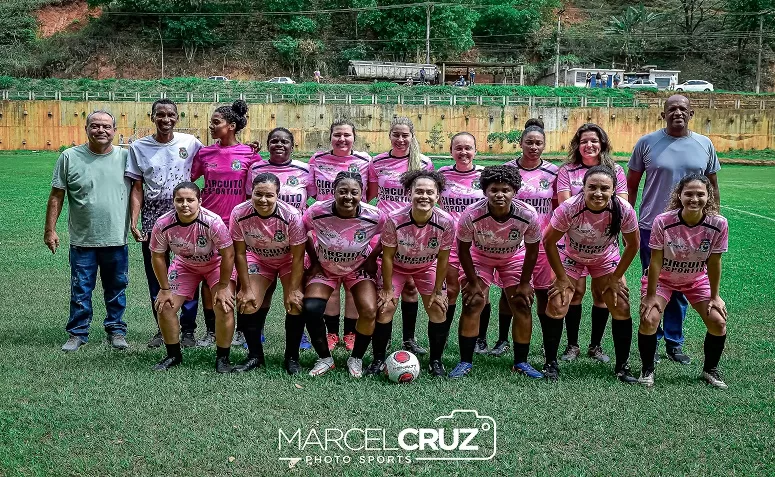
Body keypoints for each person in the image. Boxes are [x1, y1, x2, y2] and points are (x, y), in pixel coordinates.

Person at [627, 94, 721, 365]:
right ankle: (652, 339)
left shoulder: (704, 144)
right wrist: (628, 220)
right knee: (654, 283)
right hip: (651, 226)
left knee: (684, 283)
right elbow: (631, 185)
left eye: (683, 109)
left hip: (694, 228)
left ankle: (674, 341)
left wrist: (713, 218)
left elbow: (712, 186)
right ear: (663, 114)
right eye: (672, 109)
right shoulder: (646, 143)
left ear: (691, 114)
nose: (677, 113)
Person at [544, 166, 640, 383]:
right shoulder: (569, 208)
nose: (598, 193)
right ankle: (550, 363)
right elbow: (548, 241)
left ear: (614, 190)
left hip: (605, 257)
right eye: (592, 187)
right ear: (583, 189)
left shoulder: (623, 210)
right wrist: (560, 278)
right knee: (558, 302)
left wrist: (616, 278)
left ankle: (622, 366)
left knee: (621, 304)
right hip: (570, 256)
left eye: (604, 188)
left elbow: (633, 245)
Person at [45, 110, 131, 352]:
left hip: (116, 238)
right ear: (86, 129)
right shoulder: (69, 157)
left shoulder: (126, 157)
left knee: (116, 288)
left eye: (106, 126)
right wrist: (50, 230)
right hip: (83, 240)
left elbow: (139, 191)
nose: (101, 130)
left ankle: (116, 330)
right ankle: (78, 333)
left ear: (115, 131)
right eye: (95, 126)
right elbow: (56, 196)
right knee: (81, 288)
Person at [449, 165, 542, 379]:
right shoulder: (471, 214)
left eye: (505, 190)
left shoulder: (527, 214)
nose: (500, 194)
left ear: (515, 191)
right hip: (479, 257)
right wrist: (472, 282)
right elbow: (463, 250)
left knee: (521, 303)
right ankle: (465, 361)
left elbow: (532, 251)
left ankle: (521, 362)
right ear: (485, 191)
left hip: (513, 258)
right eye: (494, 190)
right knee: (473, 302)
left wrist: (525, 283)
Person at [638, 174, 728, 388]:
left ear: (709, 197)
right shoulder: (663, 221)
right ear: (679, 195)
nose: (694, 199)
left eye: (700, 194)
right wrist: (650, 296)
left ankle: (710, 370)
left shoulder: (718, 223)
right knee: (649, 318)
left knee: (718, 321)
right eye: (689, 193)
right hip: (663, 280)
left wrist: (715, 297)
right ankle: (647, 368)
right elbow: (656, 260)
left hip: (696, 280)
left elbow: (715, 262)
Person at [125, 99, 202, 348]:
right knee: (157, 274)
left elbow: (213, 163)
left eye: (170, 115)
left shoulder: (190, 143)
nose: (165, 119)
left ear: (177, 118)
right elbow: (137, 187)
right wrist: (134, 220)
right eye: (160, 115)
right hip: (153, 217)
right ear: (152, 117)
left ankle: (188, 329)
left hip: (186, 214)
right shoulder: (139, 147)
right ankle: (163, 327)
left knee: (189, 269)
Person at [190, 100, 261, 348]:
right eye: (212, 122)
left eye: (216, 122)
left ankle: (242, 330)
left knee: (240, 279)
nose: (211, 126)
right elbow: (189, 179)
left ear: (231, 126)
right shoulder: (205, 153)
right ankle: (211, 331)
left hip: (238, 226)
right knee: (212, 278)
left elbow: (262, 183)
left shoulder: (250, 154)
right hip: (208, 224)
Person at [301, 172, 385, 377]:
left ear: (362, 193)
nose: (348, 196)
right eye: (343, 191)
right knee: (311, 309)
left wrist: (373, 258)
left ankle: (356, 358)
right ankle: (325, 358)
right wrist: (313, 260)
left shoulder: (374, 215)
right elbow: (302, 232)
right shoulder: (317, 211)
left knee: (369, 310)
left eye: (354, 192)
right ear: (333, 192)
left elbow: (389, 235)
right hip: (326, 268)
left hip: (358, 268)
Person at [556, 123, 627, 365]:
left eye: (594, 141)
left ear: (603, 144)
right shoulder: (567, 170)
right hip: (573, 244)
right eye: (584, 141)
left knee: (602, 294)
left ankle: (595, 345)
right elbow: (565, 205)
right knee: (574, 293)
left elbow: (621, 205)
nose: (589, 145)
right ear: (578, 145)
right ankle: (572, 344)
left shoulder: (615, 170)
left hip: (605, 245)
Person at [490, 119, 558, 371]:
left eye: (538, 143)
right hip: (513, 242)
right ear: (520, 143)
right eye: (529, 142)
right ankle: (502, 339)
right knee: (512, 293)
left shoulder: (553, 172)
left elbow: (557, 206)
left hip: (542, 241)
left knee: (542, 292)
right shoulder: (507, 169)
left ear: (544, 145)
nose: (533, 147)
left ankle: (541, 342)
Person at [149, 182, 236, 372]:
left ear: (200, 201)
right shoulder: (163, 224)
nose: (185, 204)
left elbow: (228, 254)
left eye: (190, 200)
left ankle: (223, 358)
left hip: (216, 264)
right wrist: (164, 289)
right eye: (179, 200)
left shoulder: (213, 221)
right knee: (164, 307)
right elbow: (157, 255)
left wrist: (223, 286)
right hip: (185, 265)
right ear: (173, 202)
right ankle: (173, 355)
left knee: (224, 305)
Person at [376, 170, 454, 377]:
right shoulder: (394, 219)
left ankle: (435, 361)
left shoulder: (446, 221)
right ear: (409, 193)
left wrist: (438, 291)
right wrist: (386, 289)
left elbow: (444, 259)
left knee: (438, 308)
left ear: (437, 196)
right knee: (385, 307)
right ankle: (377, 359)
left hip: (426, 267)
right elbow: (388, 256)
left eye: (430, 192)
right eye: (419, 191)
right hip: (398, 267)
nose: (424, 196)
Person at [367, 117, 434, 355]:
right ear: (390, 136)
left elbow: (430, 197)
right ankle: (382, 339)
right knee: (385, 287)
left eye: (405, 135)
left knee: (411, 287)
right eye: (396, 134)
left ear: (412, 136)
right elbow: (370, 196)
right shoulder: (377, 162)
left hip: (415, 232)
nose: (401, 139)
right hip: (386, 230)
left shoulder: (424, 163)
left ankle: (409, 339)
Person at [308, 119, 374, 352]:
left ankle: (351, 333)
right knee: (331, 281)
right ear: (330, 137)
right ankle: (332, 333)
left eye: (347, 135)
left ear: (354, 137)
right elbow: (312, 192)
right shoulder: (317, 159)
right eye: (337, 135)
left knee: (354, 281)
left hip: (357, 227)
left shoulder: (365, 161)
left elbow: (370, 192)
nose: (342, 139)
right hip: (326, 228)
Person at [230, 173, 307, 373]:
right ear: (251, 193)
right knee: (247, 303)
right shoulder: (239, 213)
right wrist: (245, 288)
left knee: (295, 304)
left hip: (288, 260)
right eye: (258, 194)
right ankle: (255, 356)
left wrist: (293, 290)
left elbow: (298, 257)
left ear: (277, 195)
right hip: (258, 258)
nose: (263, 200)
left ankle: (292, 357)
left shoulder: (292, 215)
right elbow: (239, 253)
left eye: (269, 195)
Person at [438, 133, 485, 360]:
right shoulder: (442, 175)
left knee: (478, 291)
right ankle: (443, 334)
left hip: (478, 244)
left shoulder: (484, 175)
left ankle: (479, 339)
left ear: (476, 150)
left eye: (468, 148)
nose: (463, 152)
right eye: (458, 148)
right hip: (449, 243)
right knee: (451, 290)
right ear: (451, 151)